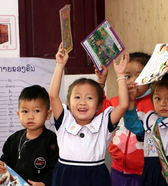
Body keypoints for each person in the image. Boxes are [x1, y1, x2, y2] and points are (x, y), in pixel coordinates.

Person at [49, 42, 129, 186]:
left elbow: (123, 105)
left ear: (99, 105)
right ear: (68, 103)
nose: (83, 102)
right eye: (77, 97)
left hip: (95, 177)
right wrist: (60, 65)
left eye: (89, 98)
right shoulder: (64, 120)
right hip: (65, 177)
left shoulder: (104, 122)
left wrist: (121, 75)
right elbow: (53, 96)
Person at [123, 59, 168, 186]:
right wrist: (130, 101)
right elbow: (131, 124)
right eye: (157, 98)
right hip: (150, 172)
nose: (163, 103)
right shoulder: (149, 119)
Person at [95, 52, 154, 186]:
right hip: (117, 169)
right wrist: (101, 82)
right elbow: (98, 108)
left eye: (139, 76)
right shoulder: (117, 101)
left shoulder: (155, 103)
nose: (132, 81)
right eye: (127, 76)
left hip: (144, 172)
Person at [0, 85, 59, 186]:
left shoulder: (52, 140)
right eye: (25, 111)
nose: (30, 116)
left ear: (48, 114)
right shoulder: (14, 139)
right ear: (18, 114)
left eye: (36, 111)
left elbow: (55, 169)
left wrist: (44, 183)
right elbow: (6, 158)